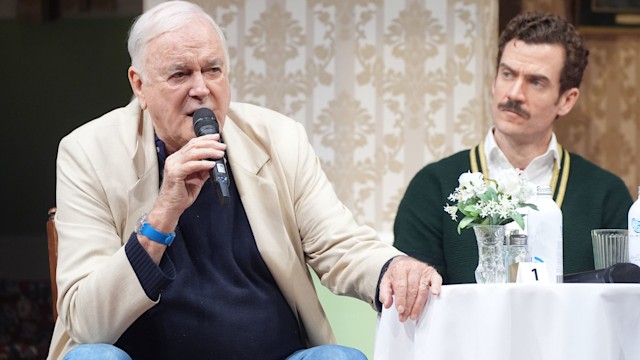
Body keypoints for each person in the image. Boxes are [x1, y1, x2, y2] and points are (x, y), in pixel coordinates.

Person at [46, 2, 442, 359]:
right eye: (180, 74)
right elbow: (88, 322)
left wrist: (393, 267)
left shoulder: (279, 138)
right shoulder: (89, 152)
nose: (201, 89)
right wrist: (163, 214)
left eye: (213, 70)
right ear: (139, 85)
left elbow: (339, 244)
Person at [393, 12, 633, 284]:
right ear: (494, 81)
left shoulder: (606, 194)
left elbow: (620, 307)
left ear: (566, 100)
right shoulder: (433, 187)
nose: (514, 93)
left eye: (536, 81)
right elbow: (411, 307)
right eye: (507, 74)